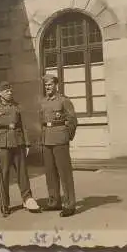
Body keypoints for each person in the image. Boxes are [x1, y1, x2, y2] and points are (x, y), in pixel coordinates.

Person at [0, 81, 41, 217]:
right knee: (3, 175)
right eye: (6, 91)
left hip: (18, 143)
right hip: (2, 145)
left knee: (23, 173)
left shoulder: (17, 107)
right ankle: (5, 203)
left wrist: (27, 143)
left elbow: (23, 126)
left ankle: (27, 199)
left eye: (10, 91)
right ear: (0, 93)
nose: (10, 93)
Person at [39, 74, 78, 217]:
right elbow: (41, 121)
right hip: (47, 139)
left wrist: (67, 135)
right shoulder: (43, 102)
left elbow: (72, 120)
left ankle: (69, 204)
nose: (47, 87)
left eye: (50, 85)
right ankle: (54, 202)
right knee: (50, 172)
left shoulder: (64, 101)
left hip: (60, 139)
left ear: (56, 85)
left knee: (64, 173)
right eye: (46, 85)